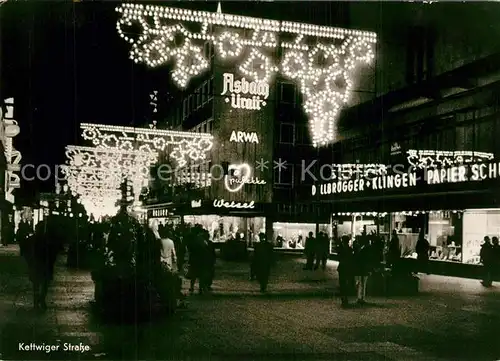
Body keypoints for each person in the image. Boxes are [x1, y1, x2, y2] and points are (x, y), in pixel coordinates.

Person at [19, 217, 63, 310]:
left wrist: (29, 261)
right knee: (44, 283)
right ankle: (41, 299)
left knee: (36, 284)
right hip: (44, 265)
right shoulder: (47, 240)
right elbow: (53, 253)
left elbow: (25, 251)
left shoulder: (33, 239)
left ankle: (37, 301)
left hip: (36, 265)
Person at [352, 235, 371, 305]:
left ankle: (360, 297)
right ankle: (361, 297)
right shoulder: (363, 249)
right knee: (362, 283)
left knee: (360, 283)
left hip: (361, 269)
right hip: (361, 269)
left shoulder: (362, 249)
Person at [337, 235, 354, 308]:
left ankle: (344, 299)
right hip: (348, 267)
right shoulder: (350, 249)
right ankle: (345, 298)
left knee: (342, 283)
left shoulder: (341, 249)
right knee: (346, 283)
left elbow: (339, 258)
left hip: (343, 267)